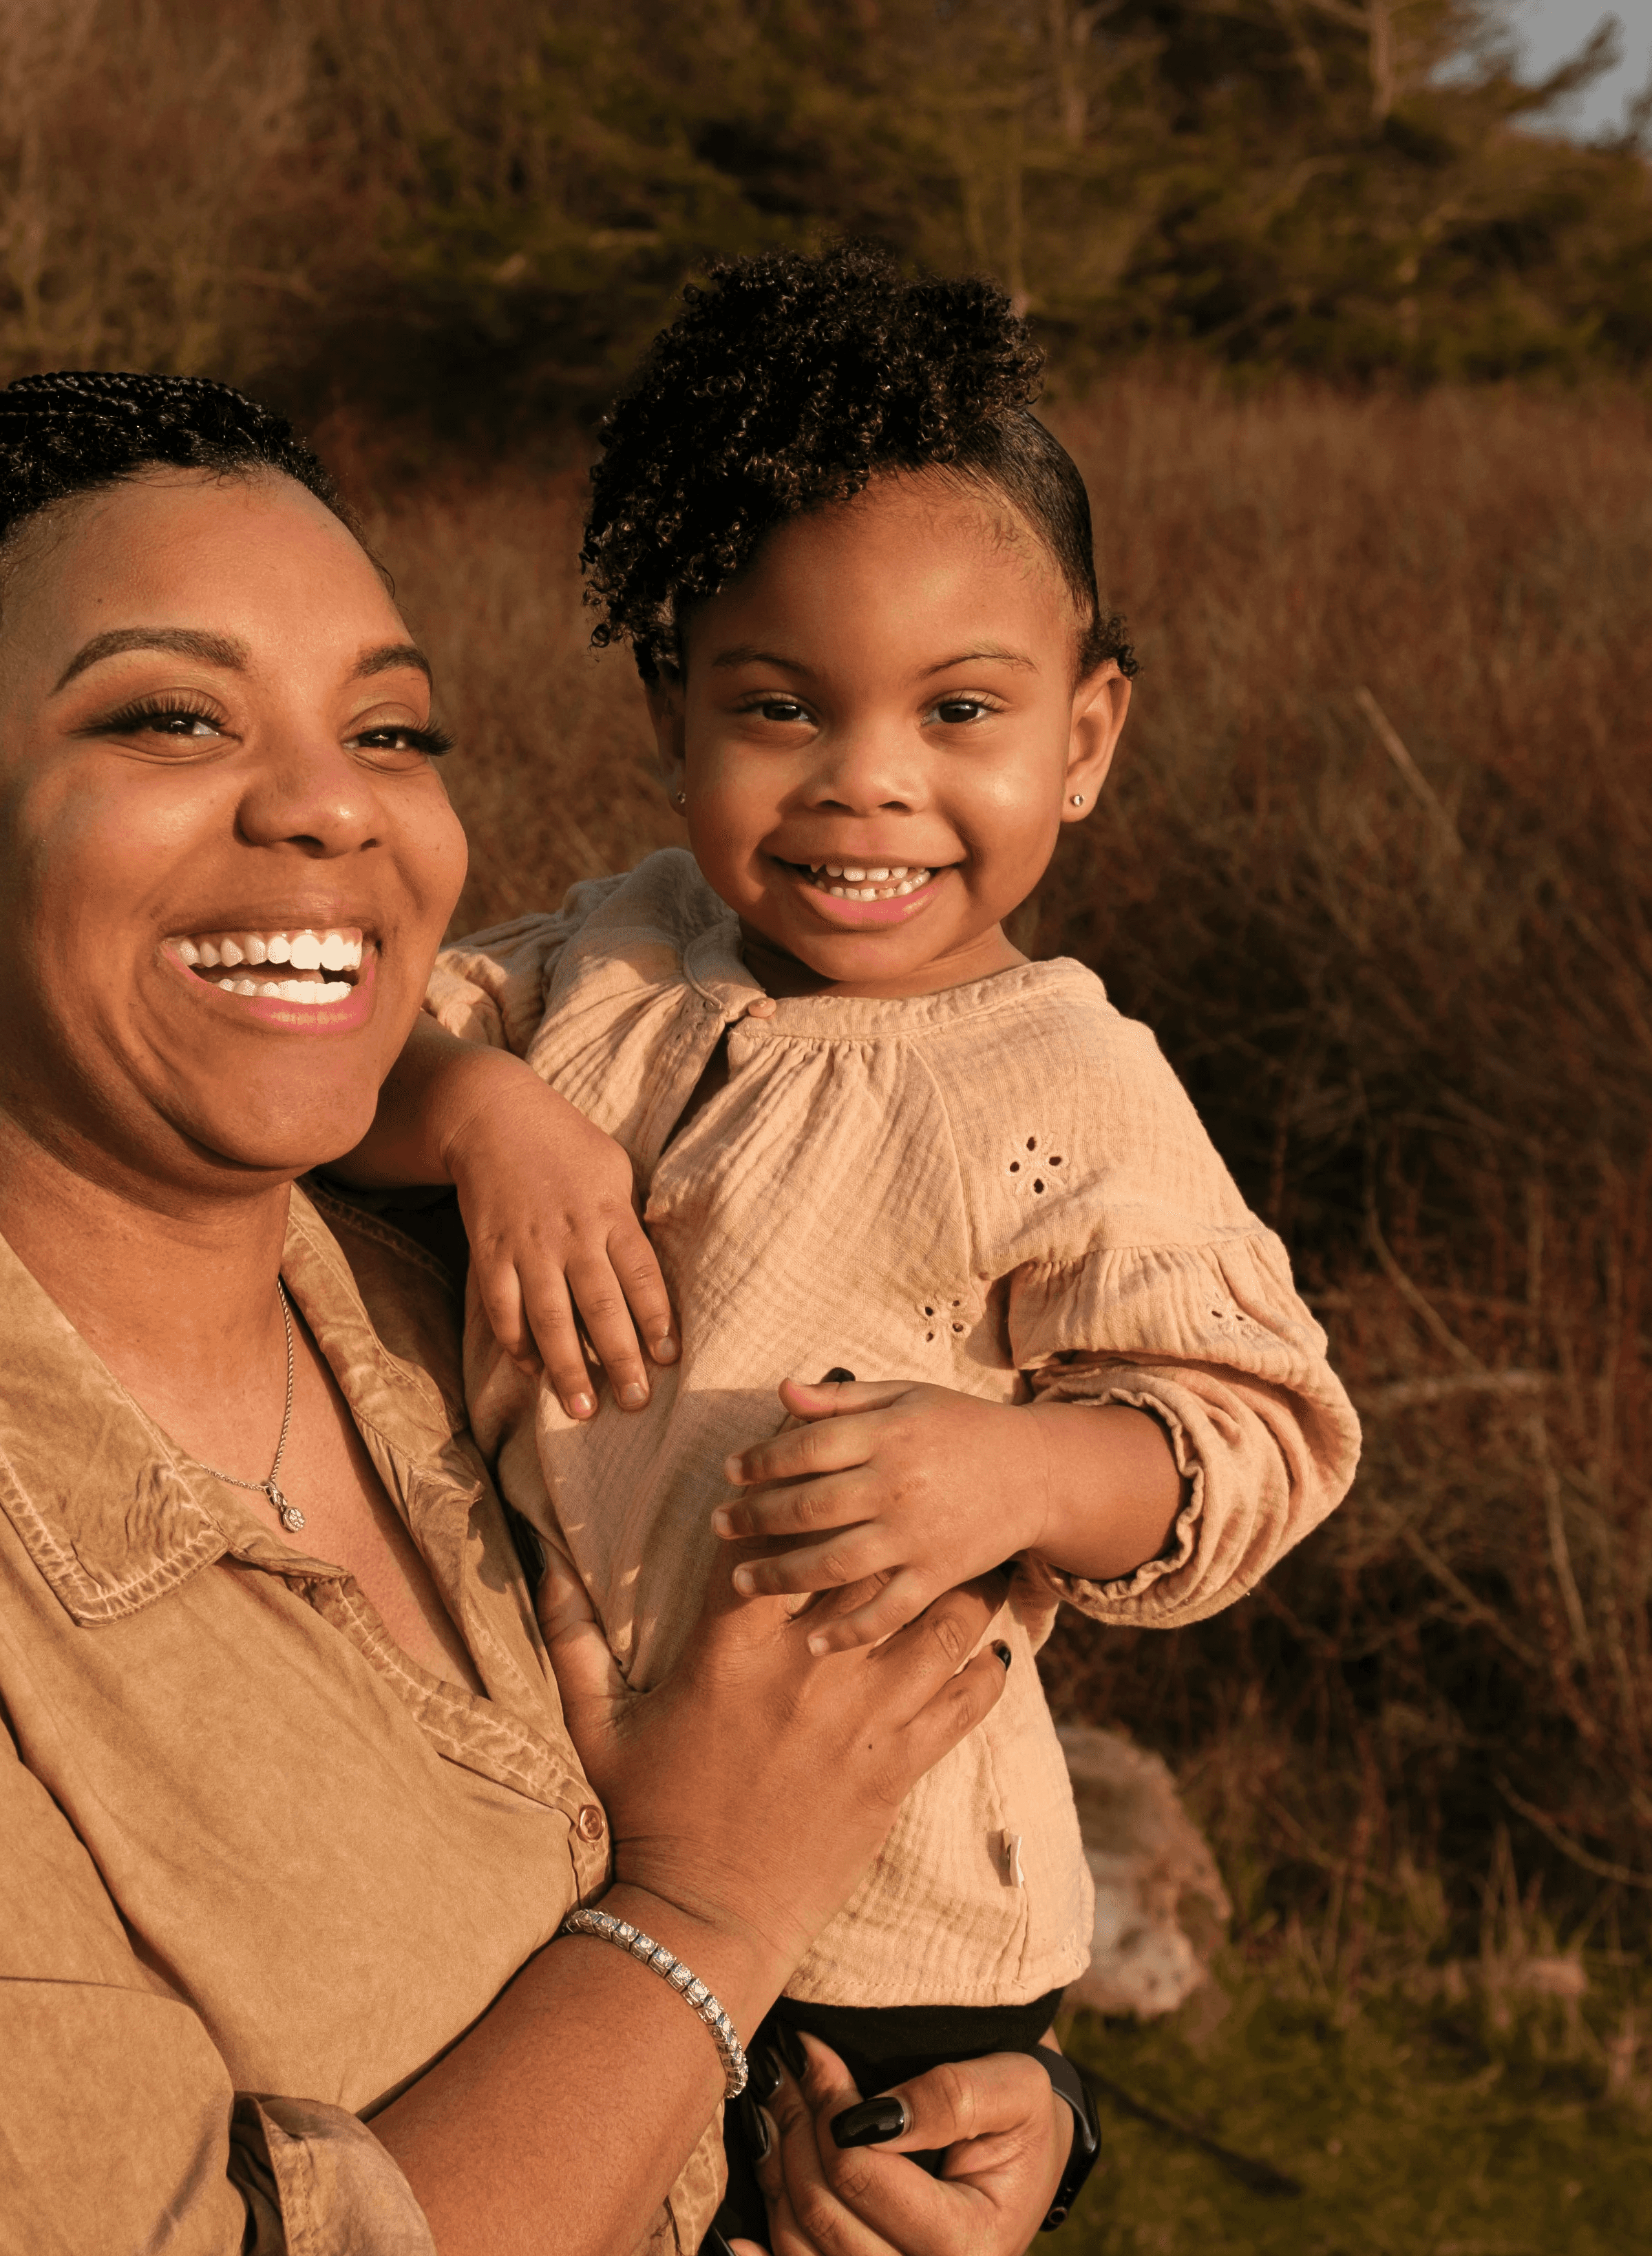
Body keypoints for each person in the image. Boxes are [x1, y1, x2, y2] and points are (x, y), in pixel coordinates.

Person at [0, 371, 1081, 2256]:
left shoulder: (510, 1318)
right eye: (169, 716)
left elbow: (811, 1883)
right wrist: (703, 1913)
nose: (332, 805)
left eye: (392, 728)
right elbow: (721, 1878)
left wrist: (942, 2119)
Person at [336, 246, 1365, 2198]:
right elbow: (332, 1064)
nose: (867, 783)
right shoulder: (607, 960)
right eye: (782, 706)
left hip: (896, 1928)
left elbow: (1261, 1430)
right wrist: (479, 1114)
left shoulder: (1058, 1084)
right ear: (673, 712)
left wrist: (1022, 1466)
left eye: (959, 708)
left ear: (1083, 735)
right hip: (549, 1844)